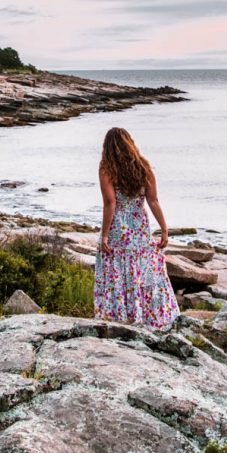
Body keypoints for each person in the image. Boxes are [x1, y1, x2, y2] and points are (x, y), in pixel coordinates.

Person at [95, 126, 179, 330]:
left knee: (118, 273)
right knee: (141, 272)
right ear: (130, 143)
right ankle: (150, 316)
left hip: (118, 230)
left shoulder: (106, 168)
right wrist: (164, 229)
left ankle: (119, 316)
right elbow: (153, 200)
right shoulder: (143, 167)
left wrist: (104, 236)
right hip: (140, 228)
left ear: (107, 147)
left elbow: (110, 203)